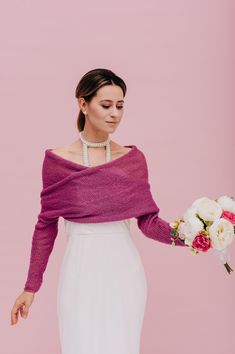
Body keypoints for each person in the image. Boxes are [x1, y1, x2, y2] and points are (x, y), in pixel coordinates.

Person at [10, 68, 186, 354]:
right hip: (79, 273)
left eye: (120, 106)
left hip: (125, 273)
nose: (114, 114)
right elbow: (46, 225)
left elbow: (149, 222)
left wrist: (192, 236)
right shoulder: (56, 161)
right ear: (83, 104)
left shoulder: (133, 159)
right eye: (106, 105)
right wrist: (31, 287)